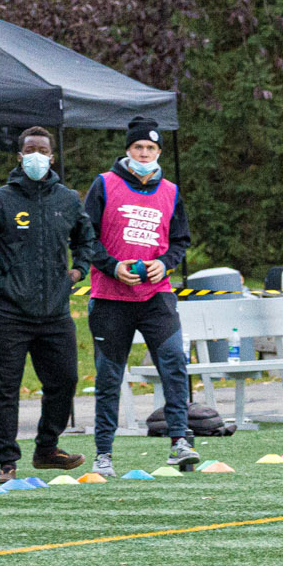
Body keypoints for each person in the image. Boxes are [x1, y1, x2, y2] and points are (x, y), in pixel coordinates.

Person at [0, 126, 98, 481]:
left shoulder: (68, 200)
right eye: (30, 150)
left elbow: (86, 240)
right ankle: (7, 462)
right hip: (10, 313)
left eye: (43, 150)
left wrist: (78, 271)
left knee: (65, 380)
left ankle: (47, 449)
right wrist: (2, 283)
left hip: (55, 312)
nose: (37, 156)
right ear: (20, 156)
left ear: (51, 157)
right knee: (5, 388)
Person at [85, 117, 199, 476]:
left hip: (155, 296)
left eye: (150, 148)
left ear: (159, 151)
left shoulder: (171, 191)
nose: (144, 153)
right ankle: (104, 453)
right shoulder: (105, 184)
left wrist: (164, 264)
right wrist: (112, 266)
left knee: (174, 364)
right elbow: (85, 237)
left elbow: (180, 240)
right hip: (110, 297)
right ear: (128, 150)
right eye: (138, 147)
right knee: (108, 377)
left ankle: (180, 441)